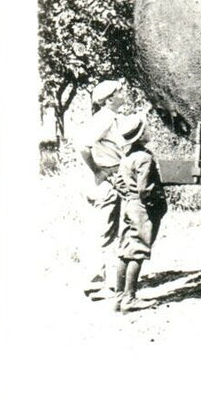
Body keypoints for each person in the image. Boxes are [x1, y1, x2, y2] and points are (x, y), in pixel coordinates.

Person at [74, 80, 125, 299]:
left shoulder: (111, 118)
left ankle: (104, 280)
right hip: (106, 177)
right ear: (109, 98)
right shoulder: (104, 119)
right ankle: (96, 284)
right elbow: (83, 146)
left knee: (108, 229)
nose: (123, 93)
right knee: (103, 230)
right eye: (119, 91)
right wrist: (98, 170)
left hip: (110, 174)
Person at [112, 113, 167, 313]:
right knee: (138, 250)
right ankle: (130, 299)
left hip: (129, 204)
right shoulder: (145, 157)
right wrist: (156, 205)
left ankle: (119, 298)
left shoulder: (127, 157)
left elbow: (118, 182)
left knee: (125, 249)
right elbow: (146, 189)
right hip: (142, 208)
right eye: (147, 128)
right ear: (141, 135)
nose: (149, 130)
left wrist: (128, 196)